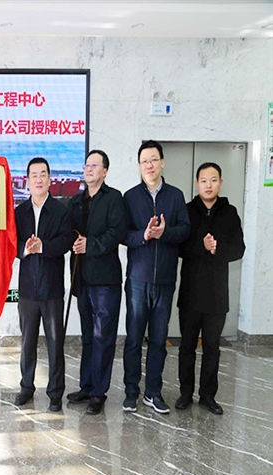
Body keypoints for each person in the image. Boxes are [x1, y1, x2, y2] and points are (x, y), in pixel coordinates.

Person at [122, 140, 190, 414]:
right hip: (137, 280)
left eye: (153, 160)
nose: (149, 165)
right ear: (139, 166)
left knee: (159, 340)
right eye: (144, 161)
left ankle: (153, 392)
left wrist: (165, 232)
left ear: (162, 162)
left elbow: (185, 230)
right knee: (133, 339)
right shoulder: (130, 197)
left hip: (165, 280)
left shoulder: (175, 196)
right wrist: (144, 235)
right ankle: (131, 392)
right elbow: (123, 234)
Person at [176, 162, 245, 415]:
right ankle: (185, 393)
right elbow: (178, 246)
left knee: (212, 348)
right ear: (197, 184)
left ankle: (207, 395)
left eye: (213, 180)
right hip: (190, 293)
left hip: (217, 295)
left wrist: (217, 249)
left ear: (221, 183)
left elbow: (239, 248)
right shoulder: (186, 211)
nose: (208, 185)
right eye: (204, 180)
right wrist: (201, 246)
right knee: (186, 347)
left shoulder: (230, 212)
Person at [67, 150, 126, 415]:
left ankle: (99, 393)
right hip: (82, 278)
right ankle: (87, 386)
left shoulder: (114, 198)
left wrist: (90, 244)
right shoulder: (76, 201)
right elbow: (69, 232)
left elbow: (117, 233)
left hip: (105, 281)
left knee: (104, 337)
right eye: (87, 164)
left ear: (105, 171)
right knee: (88, 336)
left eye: (95, 165)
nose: (89, 169)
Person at [14, 157, 73, 412]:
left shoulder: (60, 210)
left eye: (43, 174)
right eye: (34, 175)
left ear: (50, 180)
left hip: (52, 290)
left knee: (55, 343)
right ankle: (26, 387)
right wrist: (26, 250)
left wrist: (44, 246)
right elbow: (12, 244)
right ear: (27, 181)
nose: (38, 179)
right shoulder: (19, 212)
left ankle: (55, 392)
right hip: (27, 290)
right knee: (27, 342)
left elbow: (67, 241)